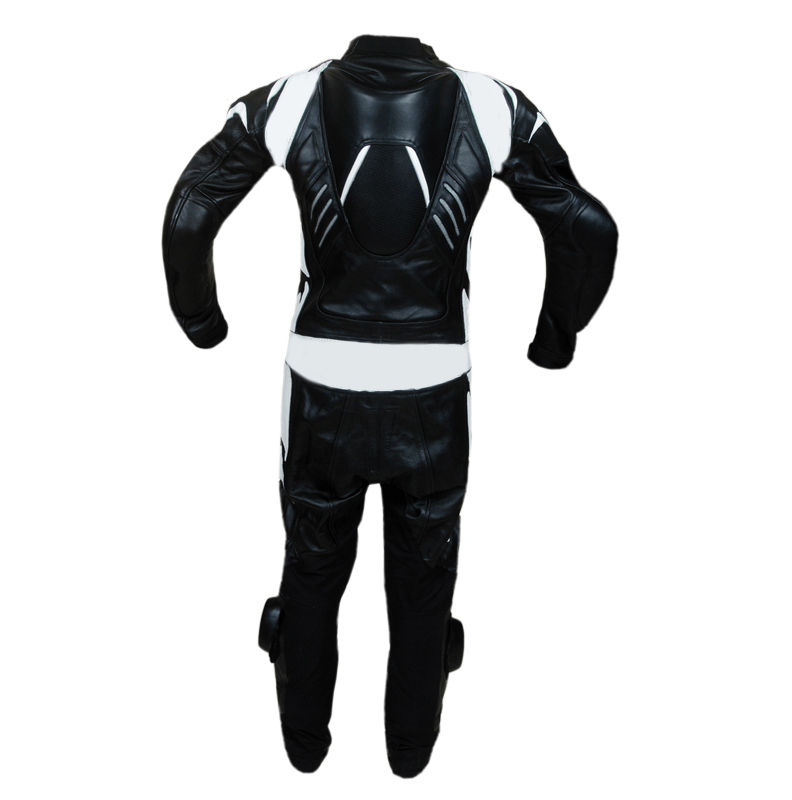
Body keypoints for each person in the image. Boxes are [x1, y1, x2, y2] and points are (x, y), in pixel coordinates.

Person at [161, 33, 618, 778]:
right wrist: (553, 339)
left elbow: (190, 211)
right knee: (425, 579)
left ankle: (303, 748)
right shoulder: (491, 104)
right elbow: (587, 228)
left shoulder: (293, 96)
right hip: (433, 393)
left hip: (321, 389)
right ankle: (411, 755)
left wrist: (203, 323)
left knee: (312, 569)